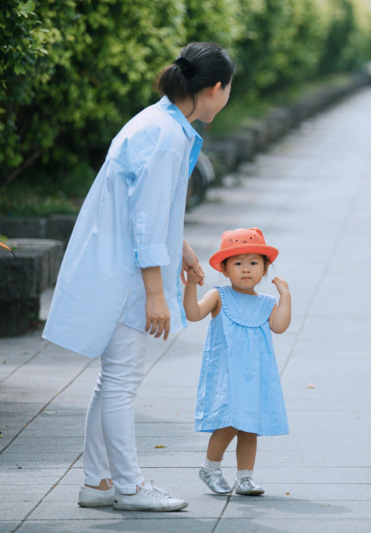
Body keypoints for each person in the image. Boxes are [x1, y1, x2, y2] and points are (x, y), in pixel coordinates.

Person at [43, 42, 234, 511]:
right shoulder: (167, 136)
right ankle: (128, 486)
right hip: (126, 272)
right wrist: (156, 294)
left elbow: (149, 207)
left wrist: (183, 250)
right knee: (122, 382)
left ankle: (99, 482)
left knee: (112, 380)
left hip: (118, 261)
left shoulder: (159, 123)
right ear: (215, 89)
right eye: (229, 88)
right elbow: (146, 219)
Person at [184, 227, 291, 496]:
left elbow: (279, 326)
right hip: (227, 374)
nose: (246, 269)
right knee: (229, 423)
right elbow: (194, 313)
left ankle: (245, 476)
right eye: (238, 263)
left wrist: (285, 297)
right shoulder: (219, 296)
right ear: (224, 269)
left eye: (254, 263)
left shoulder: (266, 303)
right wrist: (189, 285)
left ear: (265, 269)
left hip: (255, 375)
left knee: (250, 427)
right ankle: (210, 467)